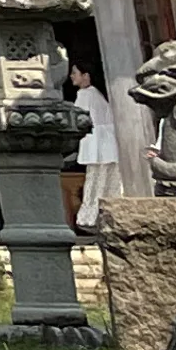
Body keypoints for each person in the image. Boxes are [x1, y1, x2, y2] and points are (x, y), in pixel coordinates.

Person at [73, 57, 119, 235]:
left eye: (75, 73)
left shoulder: (86, 94)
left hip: (98, 141)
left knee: (98, 180)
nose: (71, 77)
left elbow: (79, 119)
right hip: (105, 142)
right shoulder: (93, 94)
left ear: (86, 76)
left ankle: (92, 218)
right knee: (105, 180)